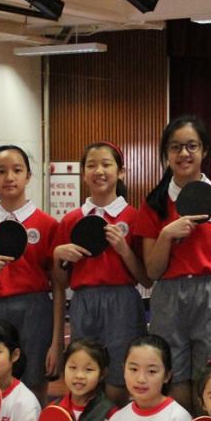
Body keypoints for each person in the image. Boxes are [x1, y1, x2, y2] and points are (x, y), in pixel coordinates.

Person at [133, 115, 211, 411]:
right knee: (173, 377)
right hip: (168, 296)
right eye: (175, 147)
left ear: (204, 150)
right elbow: (152, 272)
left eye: (191, 146)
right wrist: (166, 235)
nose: (184, 153)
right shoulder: (154, 203)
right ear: (166, 154)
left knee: (210, 380)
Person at [51, 142, 150, 403]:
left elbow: (146, 278)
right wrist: (58, 257)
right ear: (83, 174)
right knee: (84, 375)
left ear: (121, 172)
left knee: (120, 377)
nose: (99, 171)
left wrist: (124, 250)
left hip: (123, 302)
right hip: (83, 303)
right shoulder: (71, 220)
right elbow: (60, 282)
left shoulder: (134, 217)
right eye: (91, 165)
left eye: (106, 164)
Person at [0, 146, 59, 403]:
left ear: (28, 176)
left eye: (17, 170)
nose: (9, 177)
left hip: (36, 310)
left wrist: (56, 340)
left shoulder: (47, 224)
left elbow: (58, 286)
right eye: (1, 171)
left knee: (34, 382)